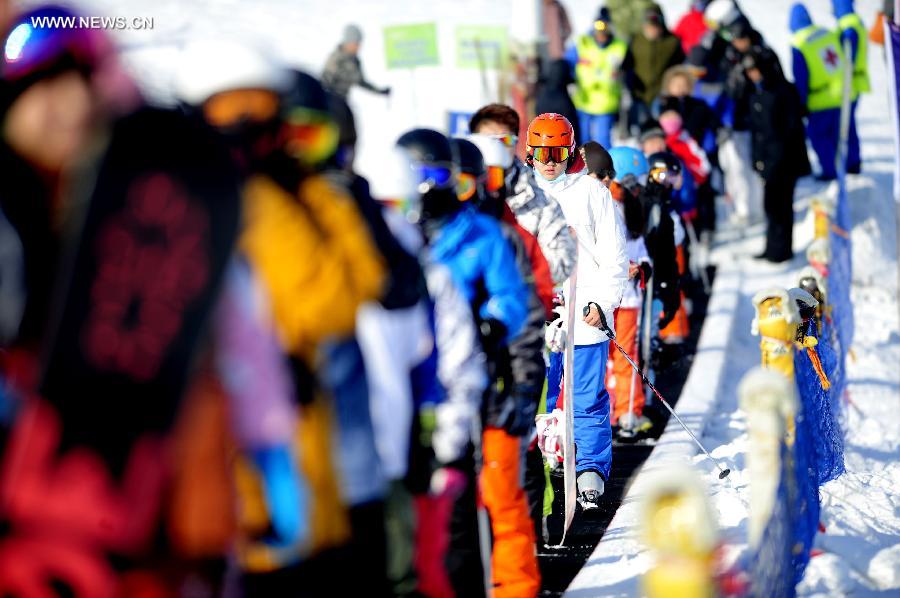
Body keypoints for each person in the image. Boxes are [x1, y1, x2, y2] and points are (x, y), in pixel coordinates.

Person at [396, 128, 529, 598]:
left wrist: (493, 322)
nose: (426, 188)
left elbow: (511, 295)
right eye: (417, 176)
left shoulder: (480, 233)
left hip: (476, 374)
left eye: (436, 176)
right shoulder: (398, 233)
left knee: (480, 501)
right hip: (416, 381)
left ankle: (506, 585)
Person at [451, 136, 543, 596]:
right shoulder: (416, 239)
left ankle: (516, 588)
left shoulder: (497, 238)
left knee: (502, 499)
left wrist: (522, 389)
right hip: (446, 402)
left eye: (468, 183)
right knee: (453, 518)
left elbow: (523, 316)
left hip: (494, 393)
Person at [526, 112, 628, 508]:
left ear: (570, 152)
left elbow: (614, 256)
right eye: (542, 153)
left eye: (557, 153)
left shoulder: (591, 192)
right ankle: (547, 457)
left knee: (585, 396)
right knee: (542, 394)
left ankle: (590, 467)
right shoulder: (522, 195)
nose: (549, 162)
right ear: (530, 154)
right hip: (539, 314)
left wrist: (603, 302)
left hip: (584, 311)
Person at [468, 104, 576, 286]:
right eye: (488, 140)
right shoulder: (458, 190)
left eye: (505, 140)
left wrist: (510, 268)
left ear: (516, 143)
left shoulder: (541, 202)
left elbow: (561, 264)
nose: (495, 147)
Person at [744, 49, 811, 262]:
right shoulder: (757, 92)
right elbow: (757, 131)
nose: (752, 74)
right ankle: (772, 247)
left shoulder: (783, 90)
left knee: (781, 206)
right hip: (768, 160)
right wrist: (757, 158)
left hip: (784, 161)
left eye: (754, 69)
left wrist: (775, 160)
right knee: (771, 206)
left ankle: (781, 251)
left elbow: (789, 130)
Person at [607, 147, 654, 434]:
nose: (638, 189)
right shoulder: (605, 207)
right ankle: (609, 410)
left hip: (628, 298)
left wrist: (643, 265)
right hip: (605, 297)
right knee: (604, 358)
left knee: (625, 355)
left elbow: (638, 247)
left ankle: (627, 411)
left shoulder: (630, 207)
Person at [789, 3, 845, 181]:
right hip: (839, 94)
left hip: (818, 99)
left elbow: (801, 76)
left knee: (819, 137)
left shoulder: (799, 43)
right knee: (837, 136)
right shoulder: (826, 33)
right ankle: (842, 167)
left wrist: (801, 102)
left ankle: (830, 171)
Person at [565, 8, 630, 148]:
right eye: (598, 28)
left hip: (606, 103)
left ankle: (604, 162)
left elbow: (629, 71)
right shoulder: (582, 44)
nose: (601, 34)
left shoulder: (620, 46)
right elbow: (566, 65)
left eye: (605, 28)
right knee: (582, 142)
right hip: (583, 101)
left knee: (603, 142)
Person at [628, 4, 685, 134]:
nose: (652, 29)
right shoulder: (635, 40)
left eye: (655, 25)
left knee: (664, 132)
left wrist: (673, 89)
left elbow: (679, 68)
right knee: (643, 131)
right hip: (640, 96)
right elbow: (627, 66)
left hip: (663, 96)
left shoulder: (673, 41)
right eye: (648, 25)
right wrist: (629, 86)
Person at [833, 0, 870, 174]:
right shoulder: (855, 21)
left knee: (847, 123)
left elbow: (848, 57)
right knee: (848, 123)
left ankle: (851, 162)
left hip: (850, 83)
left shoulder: (848, 26)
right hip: (856, 80)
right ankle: (851, 160)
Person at [322, 24, 390, 99]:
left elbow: (361, 81)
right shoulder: (335, 59)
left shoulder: (355, 60)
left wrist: (380, 91)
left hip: (343, 100)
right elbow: (324, 83)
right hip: (331, 100)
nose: (358, 47)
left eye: (359, 44)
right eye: (355, 44)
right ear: (348, 43)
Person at [535, 58, 581, 144]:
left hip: (543, 145)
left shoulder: (541, 99)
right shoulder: (565, 102)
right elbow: (573, 131)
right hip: (563, 146)